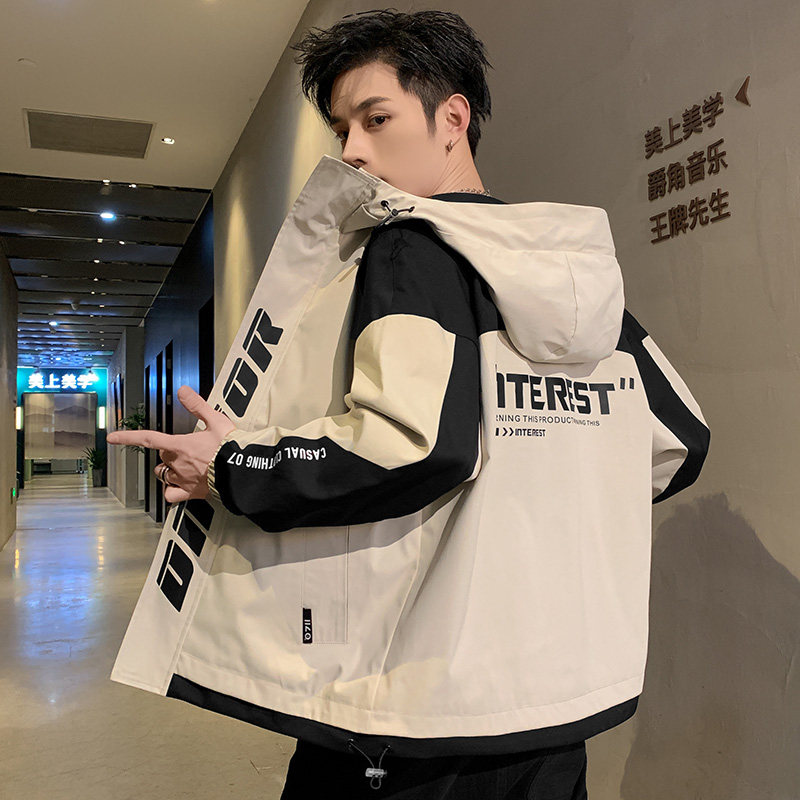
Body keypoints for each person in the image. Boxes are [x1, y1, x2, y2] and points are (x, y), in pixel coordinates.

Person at [107, 9, 710, 799]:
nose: (353, 151)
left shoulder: (412, 246)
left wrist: (229, 465)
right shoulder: (573, 272)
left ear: (452, 118)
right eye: (341, 129)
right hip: (554, 712)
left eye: (376, 118)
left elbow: (409, 447)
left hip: (414, 713)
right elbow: (679, 441)